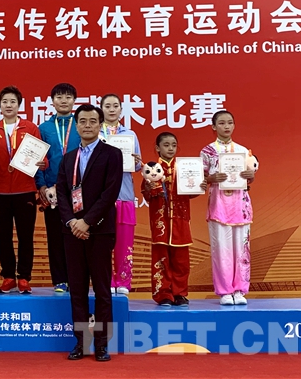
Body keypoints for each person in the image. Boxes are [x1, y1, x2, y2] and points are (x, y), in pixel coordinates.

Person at [56, 104, 122, 361]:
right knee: (77, 289)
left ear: (100, 125)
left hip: (100, 231)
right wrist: (72, 222)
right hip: (72, 232)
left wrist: (88, 222)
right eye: (82, 121)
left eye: (92, 121)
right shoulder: (69, 157)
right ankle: (81, 342)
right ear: (77, 125)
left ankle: (102, 344)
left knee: (102, 290)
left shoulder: (112, 154)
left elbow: (110, 192)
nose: (87, 125)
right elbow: (62, 192)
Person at [0, 86, 47, 294]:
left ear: (19, 105)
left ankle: (24, 277)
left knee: (25, 236)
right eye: (5, 102)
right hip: (0, 192)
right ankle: (8, 277)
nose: (9, 105)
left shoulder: (30, 128)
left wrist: (43, 163)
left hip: (25, 191)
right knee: (3, 237)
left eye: (13, 101)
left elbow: (42, 157)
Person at [201, 110, 255, 306]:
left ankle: (240, 290)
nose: (226, 126)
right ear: (214, 127)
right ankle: (225, 291)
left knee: (241, 250)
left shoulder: (243, 151)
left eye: (230, 122)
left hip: (241, 206)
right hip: (219, 206)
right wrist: (210, 178)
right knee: (222, 250)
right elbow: (198, 179)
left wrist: (250, 176)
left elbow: (249, 177)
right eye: (222, 123)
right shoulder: (207, 151)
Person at [141, 132, 203, 307]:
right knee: (161, 259)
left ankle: (180, 294)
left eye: (174, 145)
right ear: (157, 148)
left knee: (181, 261)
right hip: (160, 222)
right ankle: (163, 294)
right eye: (166, 145)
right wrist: (149, 187)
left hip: (180, 221)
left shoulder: (184, 168)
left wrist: (199, 186)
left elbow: (190, 193)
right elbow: (146, 195)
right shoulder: (152, 168)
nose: (170, 148)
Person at [35, 83, 80, 293]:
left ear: (74, 101)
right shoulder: (43, 128)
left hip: (78, 189)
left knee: (77, 233)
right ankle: (60, 279)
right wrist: (42, 185)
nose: (63, 100)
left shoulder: (81, 125)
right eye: (59, 97)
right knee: (55, 235)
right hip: (52, 191)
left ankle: (77, 277)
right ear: (52, 101)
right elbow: (37, 160)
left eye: (68, 97)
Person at [100, 94, 142, 296]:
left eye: (115, 106)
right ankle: (106, 279)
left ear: (121, 109)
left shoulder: (130, 134)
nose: (111, 109)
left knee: (124, 241)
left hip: (124, 193)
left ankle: (124, 280)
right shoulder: (96, 133)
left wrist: (137, 162)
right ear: (101, 109)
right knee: (103, 241)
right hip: (100, 196)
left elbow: (137, 166)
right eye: (107, 106)